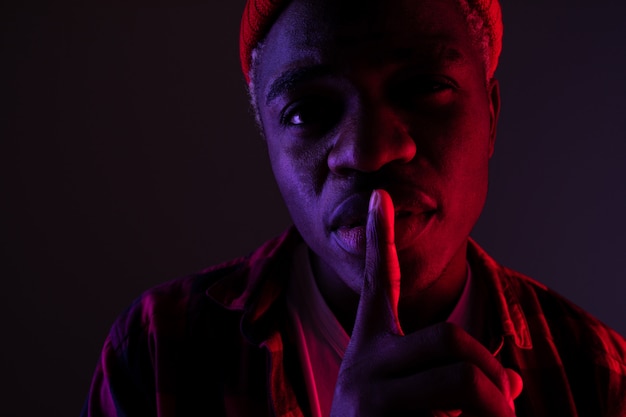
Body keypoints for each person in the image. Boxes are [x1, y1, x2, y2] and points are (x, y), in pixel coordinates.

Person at [81, 0, 626, 416]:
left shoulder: (599, 373)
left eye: (426, 86)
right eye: (307, 111)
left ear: (491, 117)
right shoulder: (158, 351)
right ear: (267, 143)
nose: (369, 152)